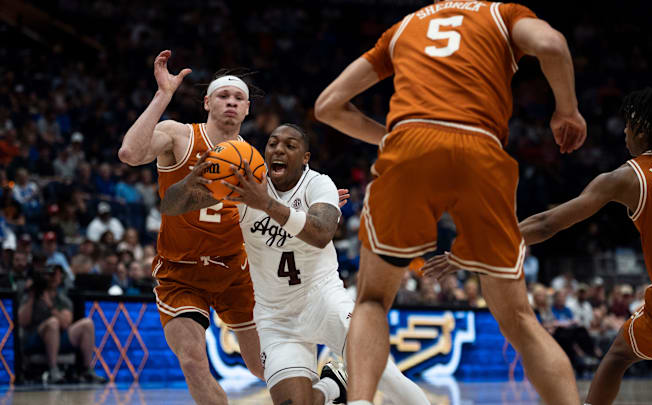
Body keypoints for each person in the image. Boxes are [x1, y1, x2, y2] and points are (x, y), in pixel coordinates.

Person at [315, 1, 586, 403]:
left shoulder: (404, 27)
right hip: (480, 148)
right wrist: (567, 110)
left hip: (411, 144)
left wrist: (388, 139)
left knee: (372, 300)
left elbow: (327, 106)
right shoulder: (503, 14)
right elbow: (552, 44)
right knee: (519, 320)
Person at [164, 124, 429, 405]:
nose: (279, 149)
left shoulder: (318, 184)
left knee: (385, 376)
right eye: (273, 143)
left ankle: (340, 386)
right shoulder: (244, 184)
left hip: (324, 301)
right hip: (276, 317)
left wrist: (266, 205)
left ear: (305, 157)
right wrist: (190, 180)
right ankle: (334, 387)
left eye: (290, 145)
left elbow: (321, 233)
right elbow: (170, 205)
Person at [516, 88, 652, 405]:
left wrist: (484, 245)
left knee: (617, 357)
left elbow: (547, 224)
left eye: (629, 124)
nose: (624, 131)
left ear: (644, 130)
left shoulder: (628, 177)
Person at [118, 50, 263, 404]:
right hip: (180, 272)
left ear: (246, 109)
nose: (230, 102)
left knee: (264, 365)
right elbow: (130, 154)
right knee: (194, 362)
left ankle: (328, 388)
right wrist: (162, 95)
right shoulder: (178, 135)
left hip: (235, 272)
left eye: (238, 98)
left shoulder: (255, 159)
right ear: (207, 103)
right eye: (223, 96)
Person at [17, 265, 106, 384]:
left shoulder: (62, 299)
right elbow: (22, 322)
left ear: (61, 278)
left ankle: (87, 370)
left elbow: (65, 324)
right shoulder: (30, 296)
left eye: (56, 275)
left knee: (87, 324)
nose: (52, 278)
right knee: (52, 323)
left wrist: (50, 307)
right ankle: (53, 370)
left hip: (59, 336)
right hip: (35, 338)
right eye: (50, 274)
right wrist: (32, 297)